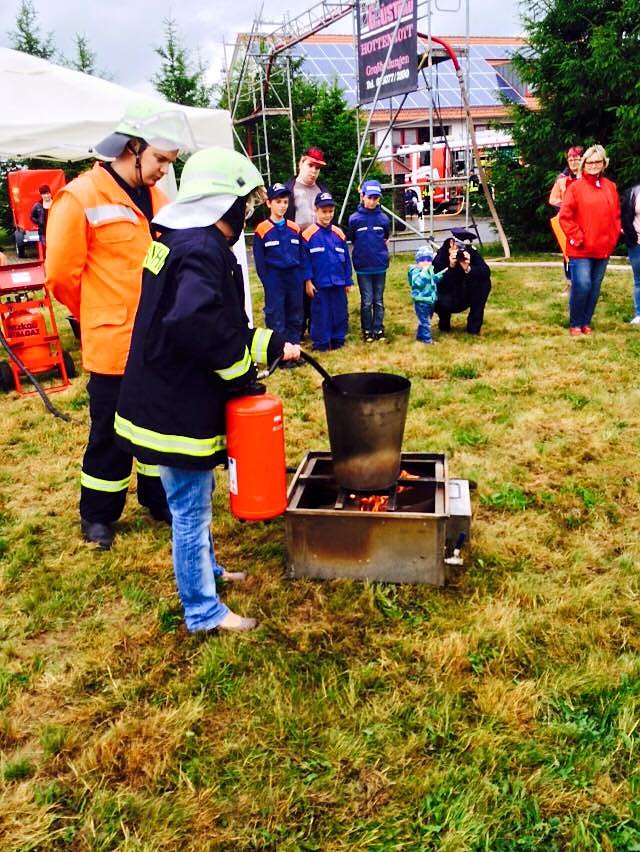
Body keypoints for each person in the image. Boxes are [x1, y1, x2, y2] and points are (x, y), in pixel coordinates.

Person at [114, 147, 301, 633]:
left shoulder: (182, 240)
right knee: (191, 508)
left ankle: (208, 573)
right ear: (226, 203)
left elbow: (218, 320)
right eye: (245, 202)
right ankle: (202, 611)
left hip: (164, 392)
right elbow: (195, 323)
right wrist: (241, 374)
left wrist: (272, 345)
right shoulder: (201, 249)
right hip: (175, 405)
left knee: (194, 499)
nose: (248, 212)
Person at [45, 99, 196, 549]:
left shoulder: (160, 200)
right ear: (133, 148)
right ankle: (98, 515)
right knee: (109, 432)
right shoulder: (81, 197)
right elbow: (60, 275)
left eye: (169, 163)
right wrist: (95, 312)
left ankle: (156, 499)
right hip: (113, 342)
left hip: (159, 340)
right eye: (160, 160)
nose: (163, 171)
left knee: (157, 425)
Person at [559, 145, 621, 337]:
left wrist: (613, 237)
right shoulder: (575, 187)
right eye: (590, 162)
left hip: (603, 248)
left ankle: (586, 322)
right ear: (584, 164)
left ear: (604, 164)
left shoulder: (610, 187)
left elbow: (616, 216)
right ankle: (575, 323)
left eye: (598, 162)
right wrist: (577, 237)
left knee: (594, 288)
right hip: (581, 248)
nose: (594, 165)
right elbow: (565, 217)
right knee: (583, 284)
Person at [252, 183, 305, 356]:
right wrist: (267, 282)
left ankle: (295, 350)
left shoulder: (294, 228)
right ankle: (280, 353)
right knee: (276, 316)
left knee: (295, 313)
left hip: (294, 277)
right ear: (269, 204)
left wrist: (302, 277)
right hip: (274, 278)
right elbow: (260, 262)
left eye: (285, 202)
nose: (282, 205)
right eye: (278, 201)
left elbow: (302, 255)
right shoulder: (262, 230)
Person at [285, 147, 329, 337]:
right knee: (298, 288)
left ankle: (317, 323)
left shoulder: (323, 189)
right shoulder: (289, 189)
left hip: (318, 245)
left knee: (317, 286)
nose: (313, 171)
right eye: (310, 165)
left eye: (317, 168)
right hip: (296, 246)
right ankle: (298, 326)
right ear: (300, 164)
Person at [302, 191, 352, 351]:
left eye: (330, 211)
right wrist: (308, 281)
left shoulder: (339, 233)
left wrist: (348, 280)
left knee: (339, 312)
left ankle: (338, 339)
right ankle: (321, 343)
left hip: (338, 283)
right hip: (319, 284)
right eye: (324, 211)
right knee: (320, 314)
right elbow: (305, 261)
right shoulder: (308, 235)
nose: (327, 215)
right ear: (315, 210)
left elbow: (346, 260)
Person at [347, 178, 390, 342]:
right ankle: (366, 330)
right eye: (369, 197)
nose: (372, 201)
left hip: (380, 266)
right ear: (362, 196)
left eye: (376, 198)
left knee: (378, 300)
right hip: (363, 267)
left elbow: (385, 236)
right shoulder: (354, 219)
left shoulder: (384, 219)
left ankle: (378, 329)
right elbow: (352, 238)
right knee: (367, 301)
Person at [432, 230, 492, 334]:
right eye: (459, 247)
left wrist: (468, 268)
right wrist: (451, 266)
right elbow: (437, 282)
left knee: (484, 282)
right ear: (452, 243)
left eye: (465, 248)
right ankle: (444, 321)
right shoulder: (441, 256)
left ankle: (474, 327)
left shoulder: (470, 253)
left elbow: (486, 272)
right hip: (445, 298)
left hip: (464, 296)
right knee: (433, 291)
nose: (461, 251)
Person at [549, 145, 583, 293]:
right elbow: (553, 199)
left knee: (584, 251)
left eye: (576, 159)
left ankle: (584, 284)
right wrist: (565, 207)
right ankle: (570, 283)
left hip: (585, 221)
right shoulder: (562, 180)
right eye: (570, 159)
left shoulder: (588, 177)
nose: (573, 162)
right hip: (567, 221)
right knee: (568, 252)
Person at [408, 246, 446, 344]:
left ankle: (420, 336)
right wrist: (425, 271)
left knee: (425, 320)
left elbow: (432, 279)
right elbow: (418, 283)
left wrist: (440, 275)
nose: (426, 262)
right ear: (417, 261)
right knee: (425, 322)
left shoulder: (430, 270)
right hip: (421, 301)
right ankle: (427, 340)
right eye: (422, 260)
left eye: (428, 259)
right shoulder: (415, 272)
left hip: (430, 300)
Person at [620, 180, 640, 325]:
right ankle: (639, 313)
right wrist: (630, 235)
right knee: (639, 281)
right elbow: (625, 216)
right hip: (636, 244)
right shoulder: (633, 192)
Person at [30, 184, 52, 252]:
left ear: (50, 193)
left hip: (56, 231)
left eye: (47, 193)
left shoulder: (56, 202)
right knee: (47, 251)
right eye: (44, 194)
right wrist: (39, 222)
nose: (46, 196)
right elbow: (32, 217)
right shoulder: (37, 205)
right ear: (41, 195)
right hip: (43, 233)